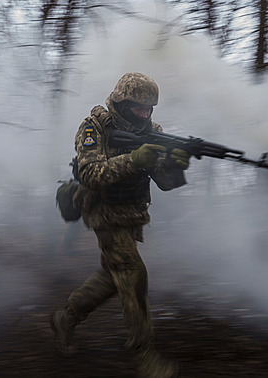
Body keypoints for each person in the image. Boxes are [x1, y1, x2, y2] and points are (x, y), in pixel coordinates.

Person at [50, 72, 190, 378]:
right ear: (121, 102)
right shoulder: (95, 126)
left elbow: (165, 183)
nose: (146, 114)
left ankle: (67, 317)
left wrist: (175, 164)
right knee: (132, 273)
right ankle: (144, 353)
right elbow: (90, 174)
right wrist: (135, 159)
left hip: (131, 214)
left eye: (150, 109)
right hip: (102, 210)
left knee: (113, 276)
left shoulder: (153, 131)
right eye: (139, 108)